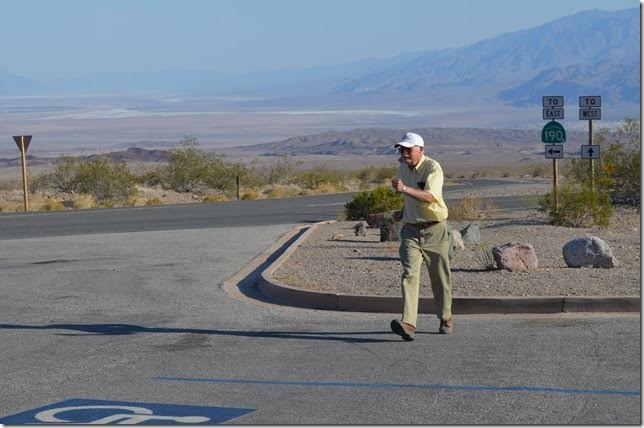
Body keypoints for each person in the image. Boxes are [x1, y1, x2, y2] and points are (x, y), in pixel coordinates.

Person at [389, 132, 452, 341]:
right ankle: (408, 323)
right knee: (409, 274)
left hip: (435, 229)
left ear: (421, 150)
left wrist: (405, 189)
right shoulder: (401, 169)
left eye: (408, 149)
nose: (404, 153)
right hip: (411, 230)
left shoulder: (433, 167)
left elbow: (429, 196)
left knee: (439, 276)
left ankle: (445, 317)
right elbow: (411, 198)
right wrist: (403, 210)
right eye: (401, 149)